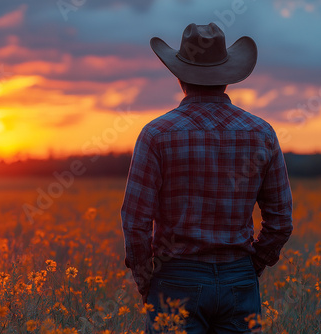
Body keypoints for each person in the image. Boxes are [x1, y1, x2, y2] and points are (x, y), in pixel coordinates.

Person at [121, 23, 293, 333]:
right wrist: (250, 266)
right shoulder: (261, 133)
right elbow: (281, 221)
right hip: (238, 279)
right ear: (228, 76)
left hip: (175, 279)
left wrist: (147, 280)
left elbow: (135, 222)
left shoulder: (156, 134)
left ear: (180, 76)